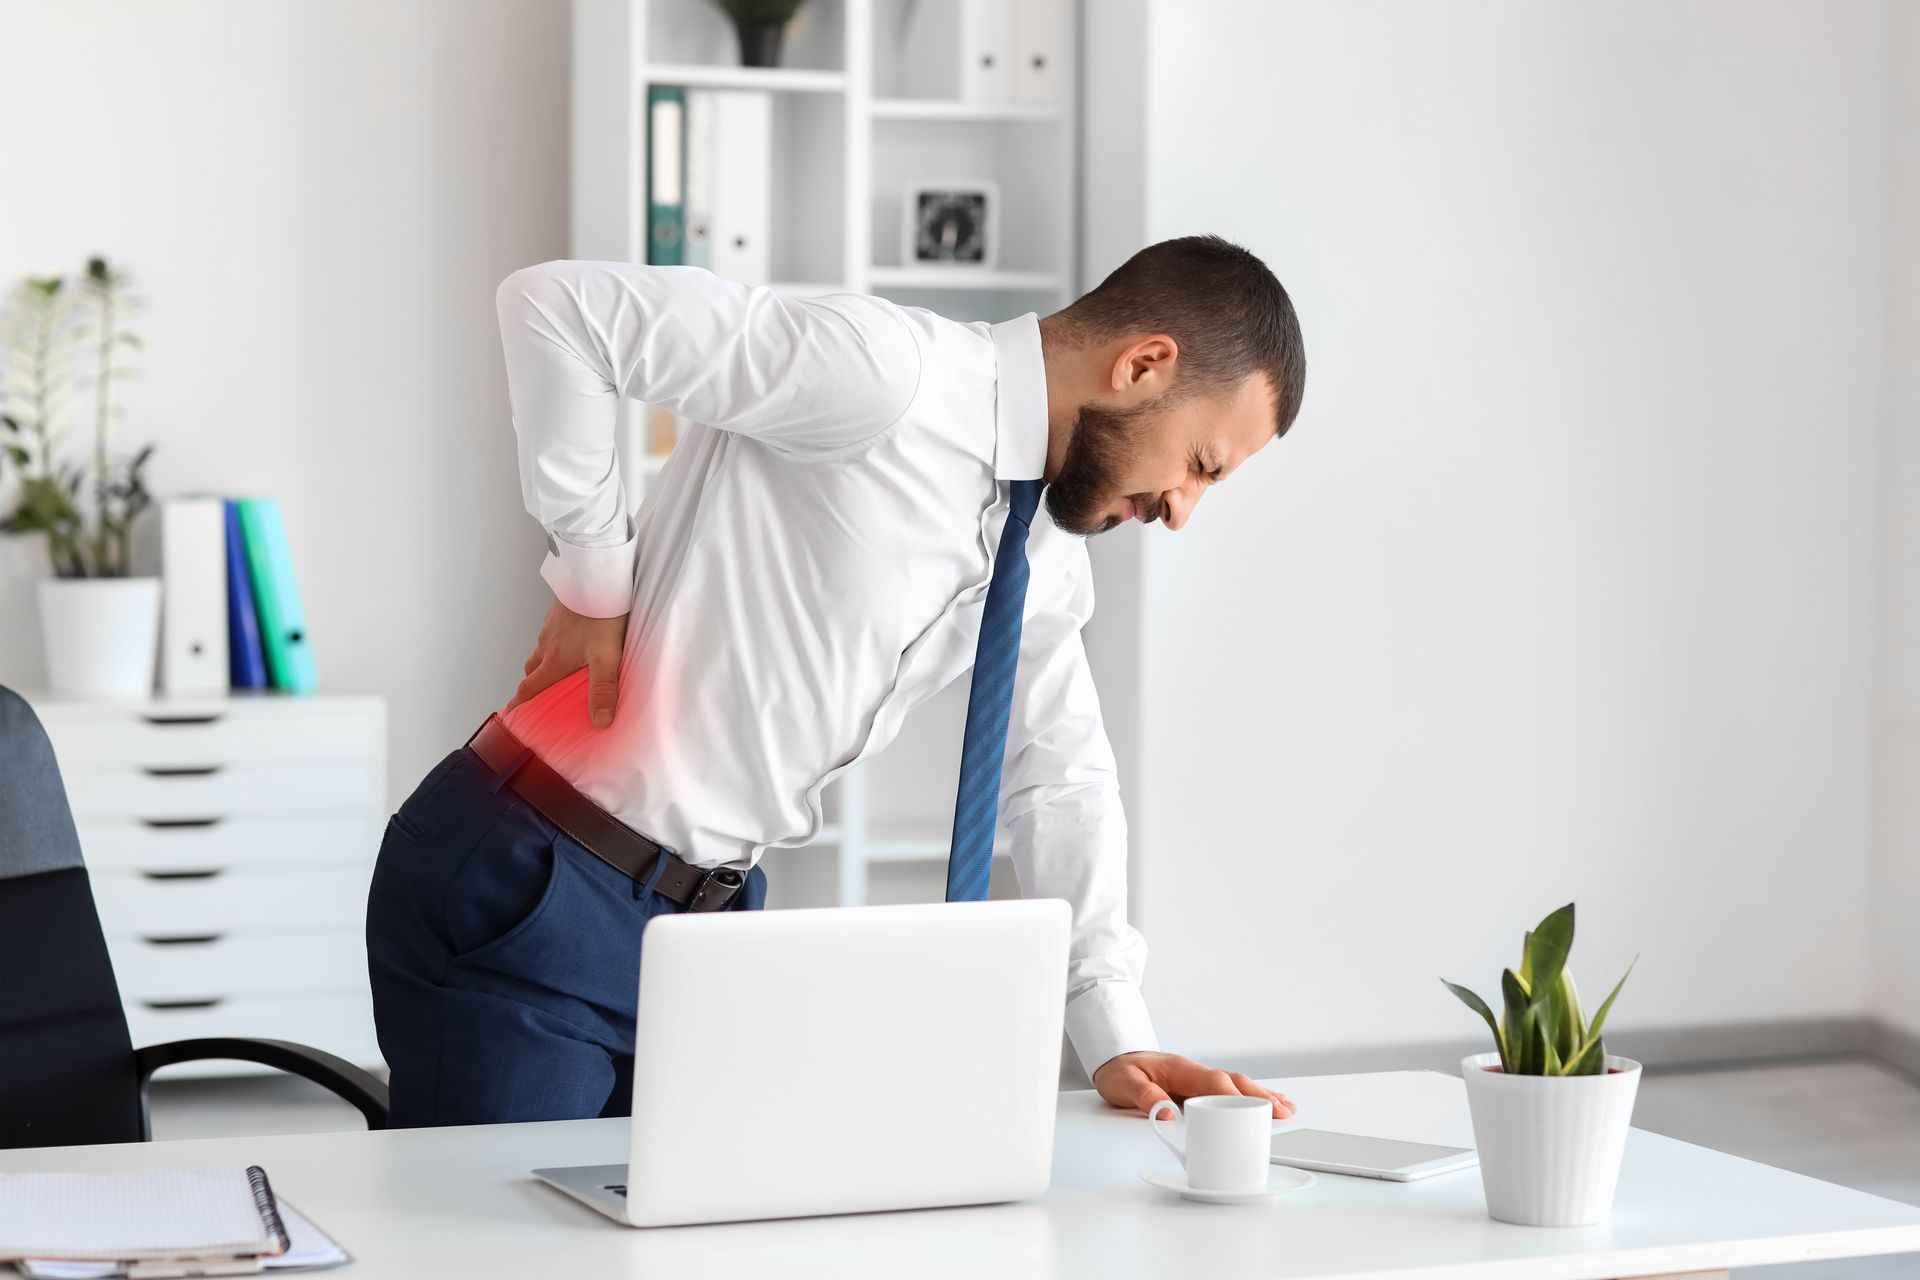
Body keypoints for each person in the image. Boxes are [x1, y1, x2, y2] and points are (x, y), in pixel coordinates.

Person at [365, 235, 1307, 1128]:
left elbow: (1062, 775)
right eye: (1201, 464)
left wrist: (1113, 1032)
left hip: (700, 929)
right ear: (1145, 365)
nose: (1183, 511)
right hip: (540, 873)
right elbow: (558, 309)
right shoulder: (890, 376)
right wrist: (592, 577)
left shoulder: (1048, 552)